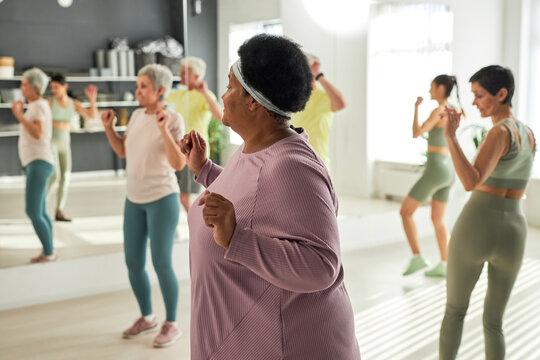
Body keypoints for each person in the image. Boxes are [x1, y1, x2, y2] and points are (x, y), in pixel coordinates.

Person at [180, 34, 361, 359]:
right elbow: (255, 199)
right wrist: (205, 170)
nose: (223, 94)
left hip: (286, 345)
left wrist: (237, 238)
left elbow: (322, 265)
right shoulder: (256, 147)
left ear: (253, 100)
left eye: (230, 85)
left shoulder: (293, 166)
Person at [439, 65, 536, 359]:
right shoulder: (529, 134)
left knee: (455, 310)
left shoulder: (499, 131)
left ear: (502, 94)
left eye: (480, 95)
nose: (475, 103)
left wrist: (451, 137)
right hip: (515, 231)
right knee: (494, 323)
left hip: (478, 225)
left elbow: (471, 181)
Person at [101, 64, 186, 348]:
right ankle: (147, 317)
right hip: (133, 200)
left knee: (161, 263)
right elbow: (123, 150)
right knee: (133, 263)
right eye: (137, 85)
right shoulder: (136, 115)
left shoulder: (173, 119)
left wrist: (163, 128)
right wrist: (109, 129)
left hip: (162, 199)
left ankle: (172, 323)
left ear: (161, 90)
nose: (137, 91)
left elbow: (179, 164)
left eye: (143, 86)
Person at [401, 75, 464, 278]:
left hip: (436, 169)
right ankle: (445, 264)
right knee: (438, 219)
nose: (429, 90)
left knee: (405, 212)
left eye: (431, 87)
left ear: (440, 88)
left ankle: (417, 257)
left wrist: (416, 108)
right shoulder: (456, 109)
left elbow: (417, 132)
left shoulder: (439, 111)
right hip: (449, 170)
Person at [166, 56, 223, 213]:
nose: (180, 74)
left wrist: (204, 92)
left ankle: (201, 227)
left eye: (184, 72)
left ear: (197, 76)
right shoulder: (181, 95)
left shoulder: (206, 95)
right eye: (181, 71)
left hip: (194, 153)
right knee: (175, 193)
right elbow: (161, 96)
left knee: (184, 197)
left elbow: (220, 116)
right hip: (179, 150)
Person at [11, 68, 56, 263]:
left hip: (39, 162)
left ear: (35, 88)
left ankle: (49, 253)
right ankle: (48, 250)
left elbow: (38, 132)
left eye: (24, 85)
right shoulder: (38, 105)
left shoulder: (37, 107)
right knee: (41, 211)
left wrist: (19, 116)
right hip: (37, 162)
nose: (21, 88)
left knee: (33, 210)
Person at [47, 73, 99, 221]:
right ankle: (40, 206)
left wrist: (92, 100)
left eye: (56, 87)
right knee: (55, 176)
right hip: (52, 142)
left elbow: (92, 115)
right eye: (52, 88)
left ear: (65, 86)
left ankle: (59, 211)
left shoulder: (73, 103)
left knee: (65, 177)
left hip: (65, 142)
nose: (54, 90)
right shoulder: (49, 103)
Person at [290, 52, 346, 168]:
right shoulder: (292, 97)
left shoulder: (324, 98)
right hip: (293, 159)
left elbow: (340, 104)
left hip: (317, 160)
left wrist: (319, 75)